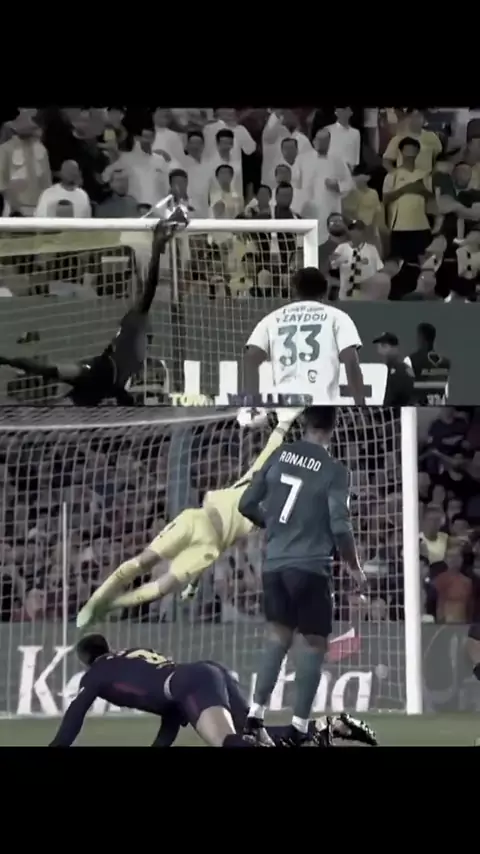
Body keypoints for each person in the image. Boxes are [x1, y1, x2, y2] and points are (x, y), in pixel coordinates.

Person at [76, 408, 302, 629]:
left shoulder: (268, 515)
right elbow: (271, 448)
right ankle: (94, 602)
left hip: (209, 547)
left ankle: (108, 607)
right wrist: (285, 421)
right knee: (144, 562)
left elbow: (227, 544)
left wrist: (194, 582)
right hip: (196, 521)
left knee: (164, 587)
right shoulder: (253, 480)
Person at [238, 406, 367, 747]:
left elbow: (246, 503)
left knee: (277, 637)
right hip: (310, 567)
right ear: (333, 428)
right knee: (313, 644)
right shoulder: (334, 470)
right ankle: (298, 728)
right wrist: (354, 567)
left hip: (274, 566)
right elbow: (340, 525)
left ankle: (254, 718)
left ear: (305, 423)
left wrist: (274, 526)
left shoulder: (279, 454)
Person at [49, 634, 378, 748]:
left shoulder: (96, 674)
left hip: (191, 682)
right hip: (203, 673)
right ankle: (325, 726)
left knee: (228, 743)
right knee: (250, 736)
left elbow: (75, 714)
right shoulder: (131, 656)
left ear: (85, 660)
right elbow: (172, 712)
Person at [0, 215, 186, 405]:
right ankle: (6, 360)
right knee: (50, 372)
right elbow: (150, 287)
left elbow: (149, 288)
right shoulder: (134, 326)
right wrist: (157, 247)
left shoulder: (139, 340)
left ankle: (9, 366)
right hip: (99, 372)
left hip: (106, 384)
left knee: (58, 394)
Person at [242, 266, 366, 408]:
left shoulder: (272, 318)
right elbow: (350, 360)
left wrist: (252, 403)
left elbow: (251, 357)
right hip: (322, 404)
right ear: (325, 291)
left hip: (285, 403)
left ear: (293, 290)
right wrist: (361, 405)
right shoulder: (337, 317)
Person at [372, 332, 415, 405]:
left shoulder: (401, 369)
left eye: (384, 346)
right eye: (380, 347)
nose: (380, 351)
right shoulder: (383, 370)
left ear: (395, 348)